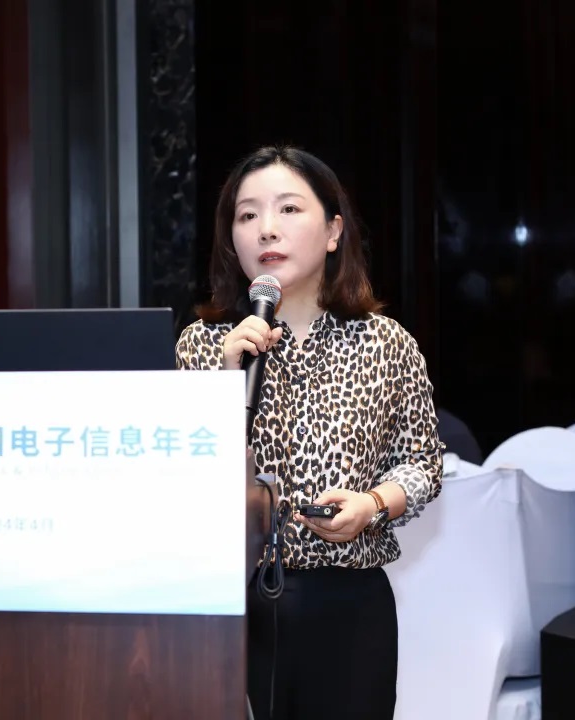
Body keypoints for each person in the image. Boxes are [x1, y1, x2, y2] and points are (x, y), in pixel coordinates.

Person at [175, 145, 443, 719]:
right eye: (247, 215)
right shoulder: (203, 345)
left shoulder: (385, 342)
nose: (266, 229)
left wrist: (372, 505)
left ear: (333, 231)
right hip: (231, 601)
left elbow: (423, 464)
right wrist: (224, 380)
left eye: (289, 209)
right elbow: (181, 478)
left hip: (347, 605)